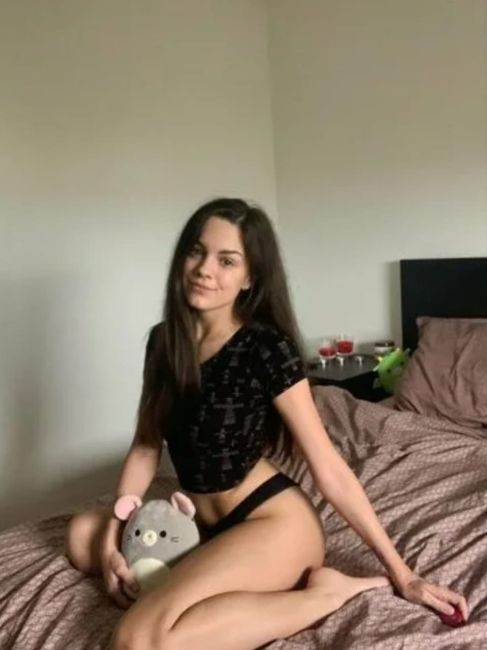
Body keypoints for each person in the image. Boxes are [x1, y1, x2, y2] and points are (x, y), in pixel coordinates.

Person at [65, 197, 469, 650]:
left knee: (137, 638)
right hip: (199, 524)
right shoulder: (164, 341)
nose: (204, 269)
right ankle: (195, 587)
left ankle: (325, 594)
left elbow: (328, 466)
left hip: (271, 522)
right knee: (81, 536)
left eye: (226, 260)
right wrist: (111, 541)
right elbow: (145, 445)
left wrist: (403, 574)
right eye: (197, 251)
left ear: (250, 278)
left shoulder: (265, 348)